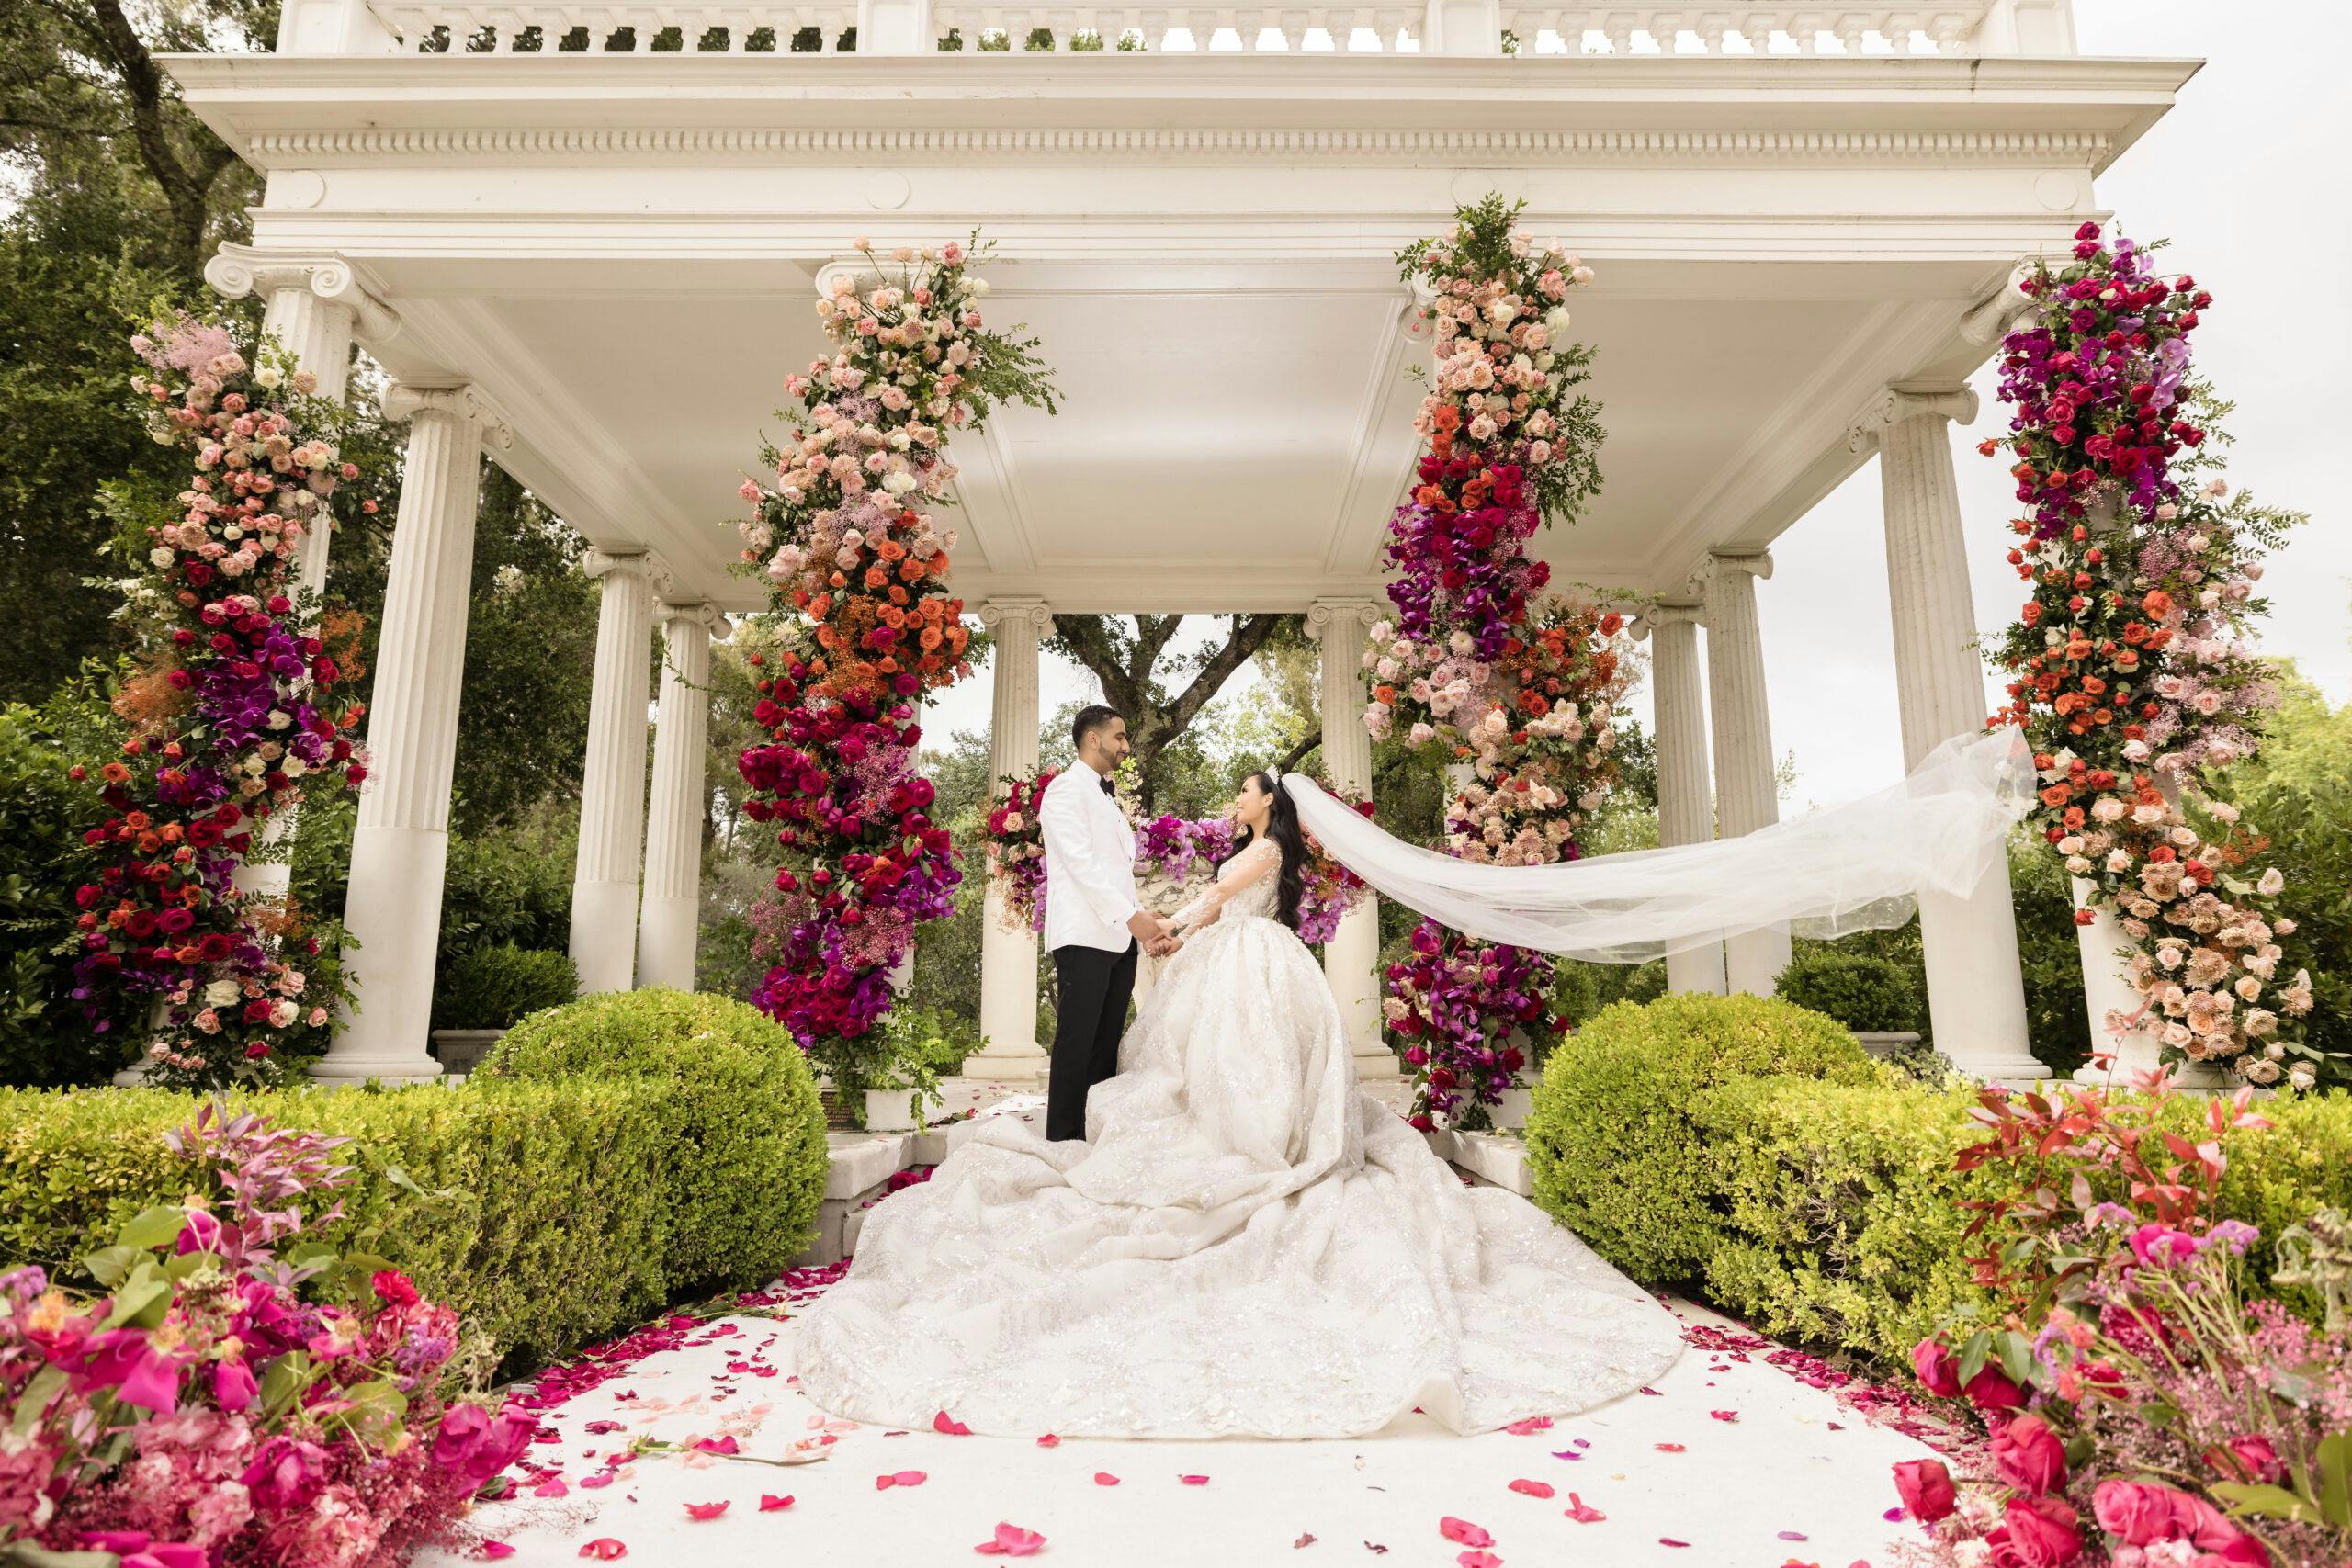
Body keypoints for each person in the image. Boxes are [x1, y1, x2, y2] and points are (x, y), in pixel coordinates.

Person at [791, 763, 1685, 1440]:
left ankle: (1252, 1148)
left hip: (1252, 964)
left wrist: (1168, 926)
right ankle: (1234, 1136)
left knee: (1236, 1067)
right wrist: (1177, 932)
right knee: (1198, 1067)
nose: (1237, 795)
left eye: (1247, 789)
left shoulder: (1263, 847)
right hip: (1237, 955)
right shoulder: (1256, 846)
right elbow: (1216, 906)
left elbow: (1217, 903)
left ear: (1269, 804)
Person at [1035, 705, 1177, 1142]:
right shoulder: (1064, 791)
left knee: (1105, 1044)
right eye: (1119, 737)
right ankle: (1062, 1139)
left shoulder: (1105, 797)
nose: (1125, 746)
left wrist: (1140, 913)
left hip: (1118, 939)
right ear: (1092, 739)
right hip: (1083, 936)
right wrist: (1129, 916)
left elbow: (1113, 871)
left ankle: (1094, 1135)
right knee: (1077, 1040)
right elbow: (1080, 866)